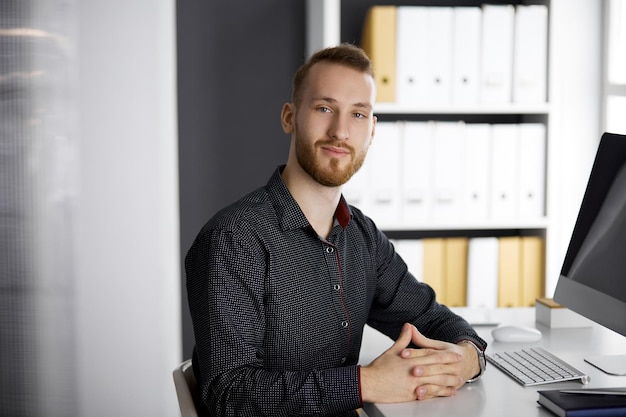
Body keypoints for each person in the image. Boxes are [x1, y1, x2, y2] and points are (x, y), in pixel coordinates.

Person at [185, 43, 487, 417]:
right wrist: (367, 383)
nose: (341, 131)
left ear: (372, 130)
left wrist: (468, 358)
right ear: (289, 117)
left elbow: (435, 319)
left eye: (358, 114)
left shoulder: (361, 236)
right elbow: (227, 395)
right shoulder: (234, 240)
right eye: (324, 108)